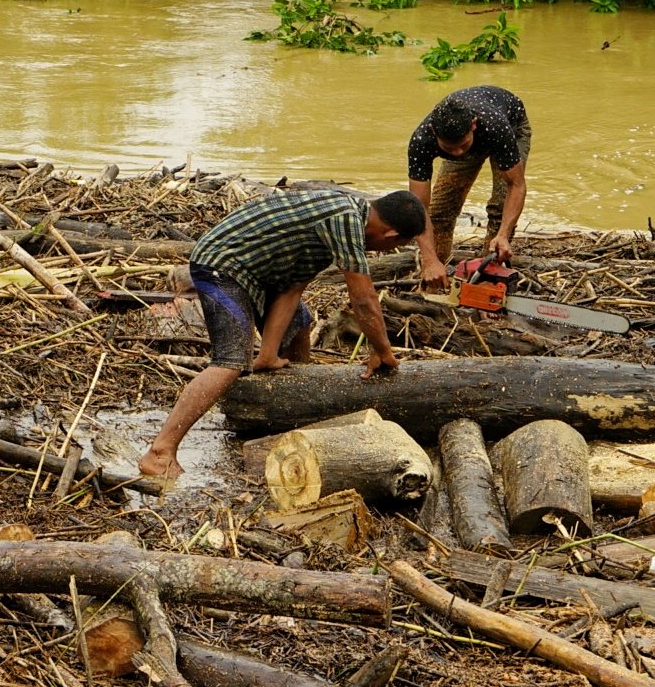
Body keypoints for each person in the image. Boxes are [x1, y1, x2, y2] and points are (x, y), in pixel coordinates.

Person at [137, 188, 427, 479]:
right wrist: (383, 351)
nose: (381, 252)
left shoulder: (338, 224)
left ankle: (286, 421)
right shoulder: (346, 219)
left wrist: (268, 355)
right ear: (391, 236)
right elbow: (363, 299)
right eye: (390, 248)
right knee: (230, 362)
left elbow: (292, 289)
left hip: (260, 274)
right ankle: (160, 452)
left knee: (300, 322)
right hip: (222, 266)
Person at [406, 85, 531, 290]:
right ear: (434, 132)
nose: (456, 153)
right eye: (449, 148)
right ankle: (438, 277)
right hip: (474, 135)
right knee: (441, 211)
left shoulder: (495, 126)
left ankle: (488, 276)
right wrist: (429, 260)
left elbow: (516, 185)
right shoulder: (422, 140)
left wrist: (503, 234)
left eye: (462, 146)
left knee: (499, 210)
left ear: (473, 125)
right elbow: (419, 207)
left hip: (511, 129)